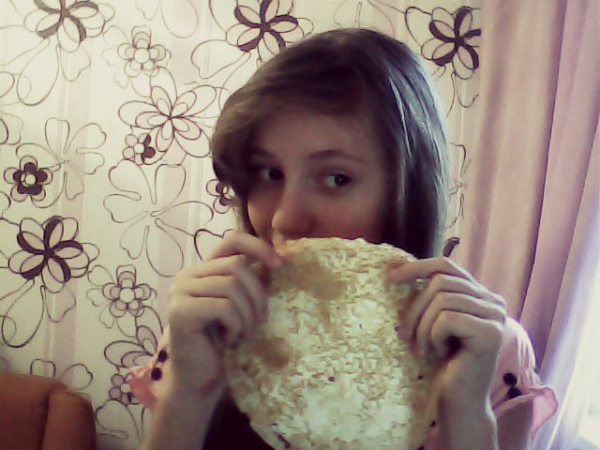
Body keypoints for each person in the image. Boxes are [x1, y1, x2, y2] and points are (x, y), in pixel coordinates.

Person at [129, 28, 557, 450]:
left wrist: (466, 413)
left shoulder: (489, 352)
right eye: (270, 173)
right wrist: (189, 395)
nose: (284, 218)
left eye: (336, 178)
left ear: (406, 193)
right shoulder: (210, 326)